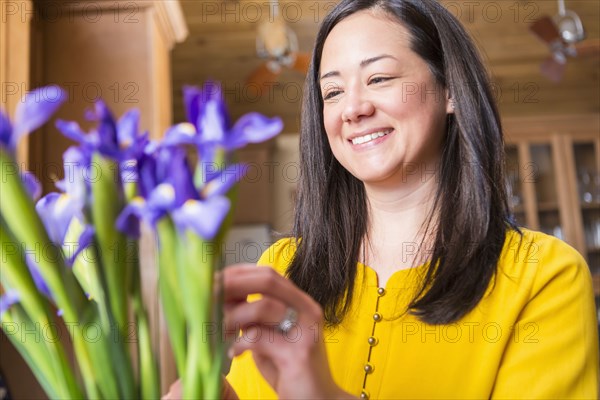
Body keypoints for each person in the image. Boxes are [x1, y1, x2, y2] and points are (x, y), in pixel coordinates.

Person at [167, 0, 599, 398]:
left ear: (450, 90)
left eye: (379, 78)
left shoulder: (544, 276)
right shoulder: (278, 270)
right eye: (332, 92)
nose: (351, 108)